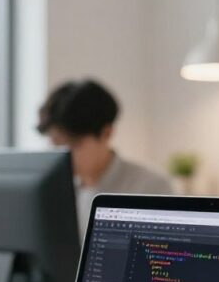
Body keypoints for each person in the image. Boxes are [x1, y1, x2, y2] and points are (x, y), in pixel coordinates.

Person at [38, 79, 173, 237]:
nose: (63, 156)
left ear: (106, 133)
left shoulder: (150, 188)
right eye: (56, 145)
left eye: (73, 145)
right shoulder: (54, 191)